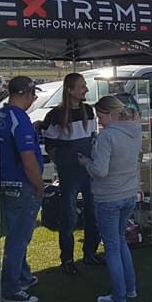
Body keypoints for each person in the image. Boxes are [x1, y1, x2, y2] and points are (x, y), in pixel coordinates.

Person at [79, 96, 142, 302]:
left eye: (101, 116)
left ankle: (118, 298)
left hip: (108, 197)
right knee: (120, 241)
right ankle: (130, 289)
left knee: (112, 248)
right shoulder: (134, 131)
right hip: (128, 195)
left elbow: (100, 171)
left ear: (111, 113)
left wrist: (86, 162)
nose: (99, 120)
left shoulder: (107, 137)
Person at [40, 73, 100, 276]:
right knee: (69, 217)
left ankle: (90, 253)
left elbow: (93, 138)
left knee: (93, 212)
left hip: (88, 171)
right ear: (70, 90)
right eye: (82, 86)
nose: (86, 90)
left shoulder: (89, 111)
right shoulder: (55, 115)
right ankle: (67, 259)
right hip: (69, 175)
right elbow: (49, 145)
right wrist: (63, 163)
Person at [0, 76, 45, 302]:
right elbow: (28, 159)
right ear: (25, 93)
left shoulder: (0, 115)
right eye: (33, 95)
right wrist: (39, 185)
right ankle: (10, 287)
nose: (33, 99)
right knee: (18, 238)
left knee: (17, 233)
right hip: (21, 183)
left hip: (6, 181)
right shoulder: (19, 119)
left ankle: (22, 275)